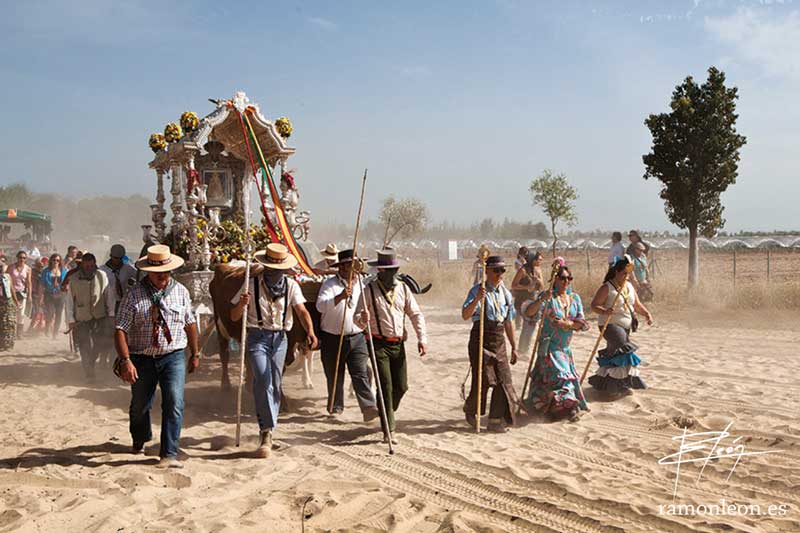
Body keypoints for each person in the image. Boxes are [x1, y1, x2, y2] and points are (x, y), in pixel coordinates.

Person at [115, 245, 199, 468]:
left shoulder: (181, 291)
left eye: (166, 271)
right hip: (141, 357)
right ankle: (140, 437)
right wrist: (125, 360)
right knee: (140, 405)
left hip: (174, 356)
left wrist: (195, 353)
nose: (162, 276)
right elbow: (120, 329)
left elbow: (190, 323)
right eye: (157, 272)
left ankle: (169, 453)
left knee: (174, 402)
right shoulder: (134, 295)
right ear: (148, 272)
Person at [231, 243, 318, 458]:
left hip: (280, 339)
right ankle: (266, 431)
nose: (274, 272)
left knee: (276, 384)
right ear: (265, 266)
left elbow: (302, 311)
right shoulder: (250, 285)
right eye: (271, 268)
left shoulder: (291, 286)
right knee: (262, 378)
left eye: (278, 268)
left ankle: (269, 428)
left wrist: (310, 331)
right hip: (256, 337)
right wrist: (242, 304)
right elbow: (234, 316)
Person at [355, 248, 427, 443]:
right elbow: (357, 319)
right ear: (380, 271)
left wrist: (422, 338)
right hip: (378, 344)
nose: (392, 275)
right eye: (389, 271)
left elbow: (415, 314)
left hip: (398, 344)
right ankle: (389, 429)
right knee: (385, 385)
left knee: (401, 386)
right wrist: (362, 319)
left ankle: (385, 410)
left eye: (395, 271)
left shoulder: (403, 289)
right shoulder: (368, 290)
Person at [315, 249, 378, 419]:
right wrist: (340, 297)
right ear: (340, 268)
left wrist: (366, 317)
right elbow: (320, 306)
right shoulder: (330, 285)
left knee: (360, 373)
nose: (350, 269)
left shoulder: (363, 286)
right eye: (346, 266)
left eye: (353, 266)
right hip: (332, 338)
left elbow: (368, 307)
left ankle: (368, 407)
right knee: (335, 375)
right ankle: (336, 407)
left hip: (357, 336)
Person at [461, 255, 520, 433]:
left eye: (502, 270)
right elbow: (465, 315)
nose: (500, 274)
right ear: (487, 271)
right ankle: (472, 410)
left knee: (504, 380)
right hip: (480, 339)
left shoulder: (506, 294)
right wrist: (477, 299)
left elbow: (509, 322)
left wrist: (514, 347)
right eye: (496, 270)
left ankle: (495, 419)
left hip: (499, 340)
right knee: (484, 379)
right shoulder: (477, 291)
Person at [524, 265, 588, 421]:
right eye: (562, 278)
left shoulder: (574, 298)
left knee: (553, 380)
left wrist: (568, 324)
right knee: (563, 376)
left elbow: (582, 323)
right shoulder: (548, 298)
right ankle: (570, 408)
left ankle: (557, 408)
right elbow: (529, 313)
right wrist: (541, 299)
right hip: (549, 346)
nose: (566, 281)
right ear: (555, 280)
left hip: (565, 348)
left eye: (569, 278)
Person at [588, 256, 654, 395]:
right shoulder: (606, 287)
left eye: (628, 274)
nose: (626, 276)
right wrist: (605, 311)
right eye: (624, 273)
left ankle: (607, 386)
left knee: (615, 353)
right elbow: (594, 305)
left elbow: (636, 305)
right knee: (623, 347)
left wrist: (647, 314)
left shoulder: (629, 286)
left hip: (626, 326)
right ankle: (616, 387)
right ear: (616, 272)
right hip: (609, 325)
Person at [65, 253, 111, 381]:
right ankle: (89, 372)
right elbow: (69, 301)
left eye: (91, 266)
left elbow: (108, 295)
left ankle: (91, 362)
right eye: (87, 266)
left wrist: (111, 314)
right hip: (82, 317)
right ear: (82, 265)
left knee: (98, 345)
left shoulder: (102, 276)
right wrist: (70, 320)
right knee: (84, 345)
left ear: (95, 264)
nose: (89, 268)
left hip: (99, 316)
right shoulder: (74, 279)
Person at [512, 251, 544, 353]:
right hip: (523, 301)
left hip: (534, 301)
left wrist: (538, 281)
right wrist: (526, 287)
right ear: (533, 260)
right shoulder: (523, 270)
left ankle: (524, 348)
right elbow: (514, 285)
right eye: (538, 259)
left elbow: (542, 287)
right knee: (528, 324)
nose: (540, 261)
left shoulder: (538, 270)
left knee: (530, 325)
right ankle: (523, 349)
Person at [100, 244, 138, 316]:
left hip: (123, 302)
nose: (118, 260)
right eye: (116, 258)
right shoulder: (102, 270)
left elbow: (139, 277)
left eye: (120, 258)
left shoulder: (127, 268)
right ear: (111, 256)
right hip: (108, 304)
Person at [42, 253, 66, 339]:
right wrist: (40, 296)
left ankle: (55, 333)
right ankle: (47, 329)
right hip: (49, 294)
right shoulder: (46, 271)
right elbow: (42, 284)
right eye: (54, 260)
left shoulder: (63, 271)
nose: (56, 262)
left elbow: (66, 283)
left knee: (58, 315)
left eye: (58, 260)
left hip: (61, 295)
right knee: (50, 313)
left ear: (60, 261)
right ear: (51, 261)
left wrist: (60, 287)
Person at [9, 250, 32, 339]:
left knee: (21, 313)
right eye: (20, 257)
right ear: (17, 258)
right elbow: (6, 278)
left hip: (22, 293)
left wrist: (29, 295)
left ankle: (19, 333)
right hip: (11, 292)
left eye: (24, 258)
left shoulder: (28, 269)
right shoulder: (11, 267)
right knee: (12, 313)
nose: (22, 259)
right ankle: (11, 332)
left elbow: (29, 282)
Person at [0, 257, 19, 351]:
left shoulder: (7, 276)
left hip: (8, 302)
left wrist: (16, 301)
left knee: (10, 323)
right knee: (2, 323)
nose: (1, 268)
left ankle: (9, 344)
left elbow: (12, 289)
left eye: (2, 266)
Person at [27, 257, 47, 334]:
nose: (40, 268)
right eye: (38, 266)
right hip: (34, 293)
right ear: (35, 265)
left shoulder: (44, 274)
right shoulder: (32, 272)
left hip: (42, 294)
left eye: (41, 266)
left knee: (41, 312)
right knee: (36, 312)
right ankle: (32, 328)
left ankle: (37, 328)